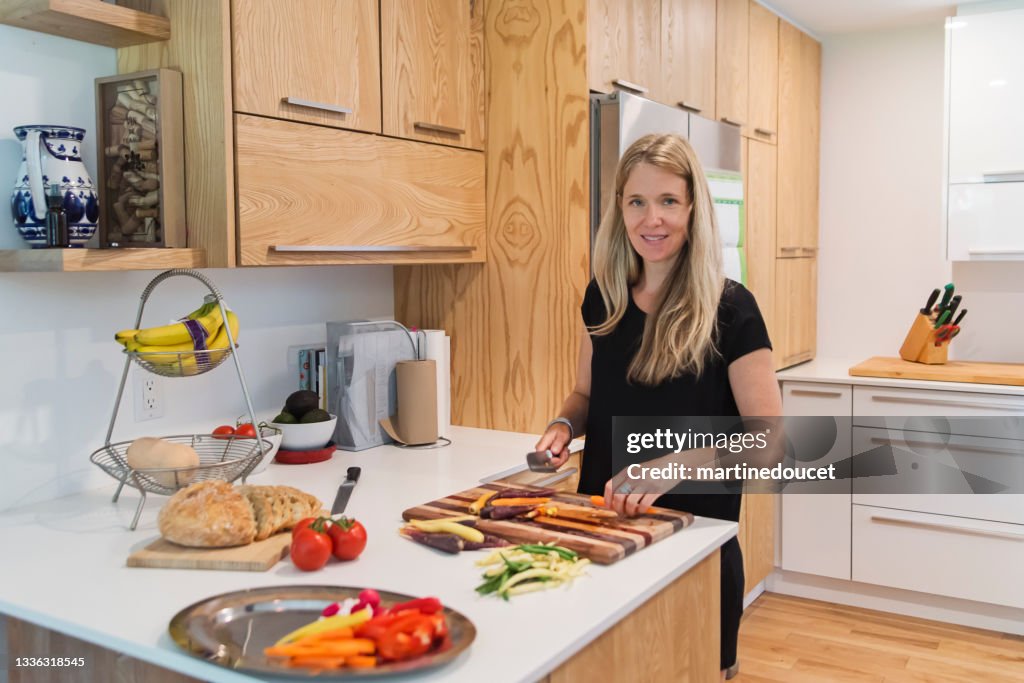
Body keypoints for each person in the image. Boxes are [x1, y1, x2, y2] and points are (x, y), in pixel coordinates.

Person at [535, 133, 782, 681]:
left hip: (693, 549)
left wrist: (675, 465)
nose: (654, 219)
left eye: (669, 201)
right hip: (603, 535)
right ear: (620, 208)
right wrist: (561, 424)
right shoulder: (603, 295)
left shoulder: (732, 309)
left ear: (693, 208)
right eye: (637, 202)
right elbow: (586, 397)